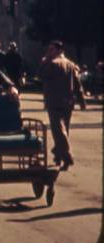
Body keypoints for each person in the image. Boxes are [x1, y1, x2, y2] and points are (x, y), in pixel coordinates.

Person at [39, 39, 86, 171]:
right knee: (64, 130)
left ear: (59, 50)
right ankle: (58, 155)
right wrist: (81, 100)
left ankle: (67, 156)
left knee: (58, 130)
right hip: (68, 102)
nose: (49, 52)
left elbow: (41, 75)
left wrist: (45, 61)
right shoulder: (71, 65)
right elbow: (77, 83)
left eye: (51, 49)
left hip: (54, 102)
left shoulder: (52, 63)